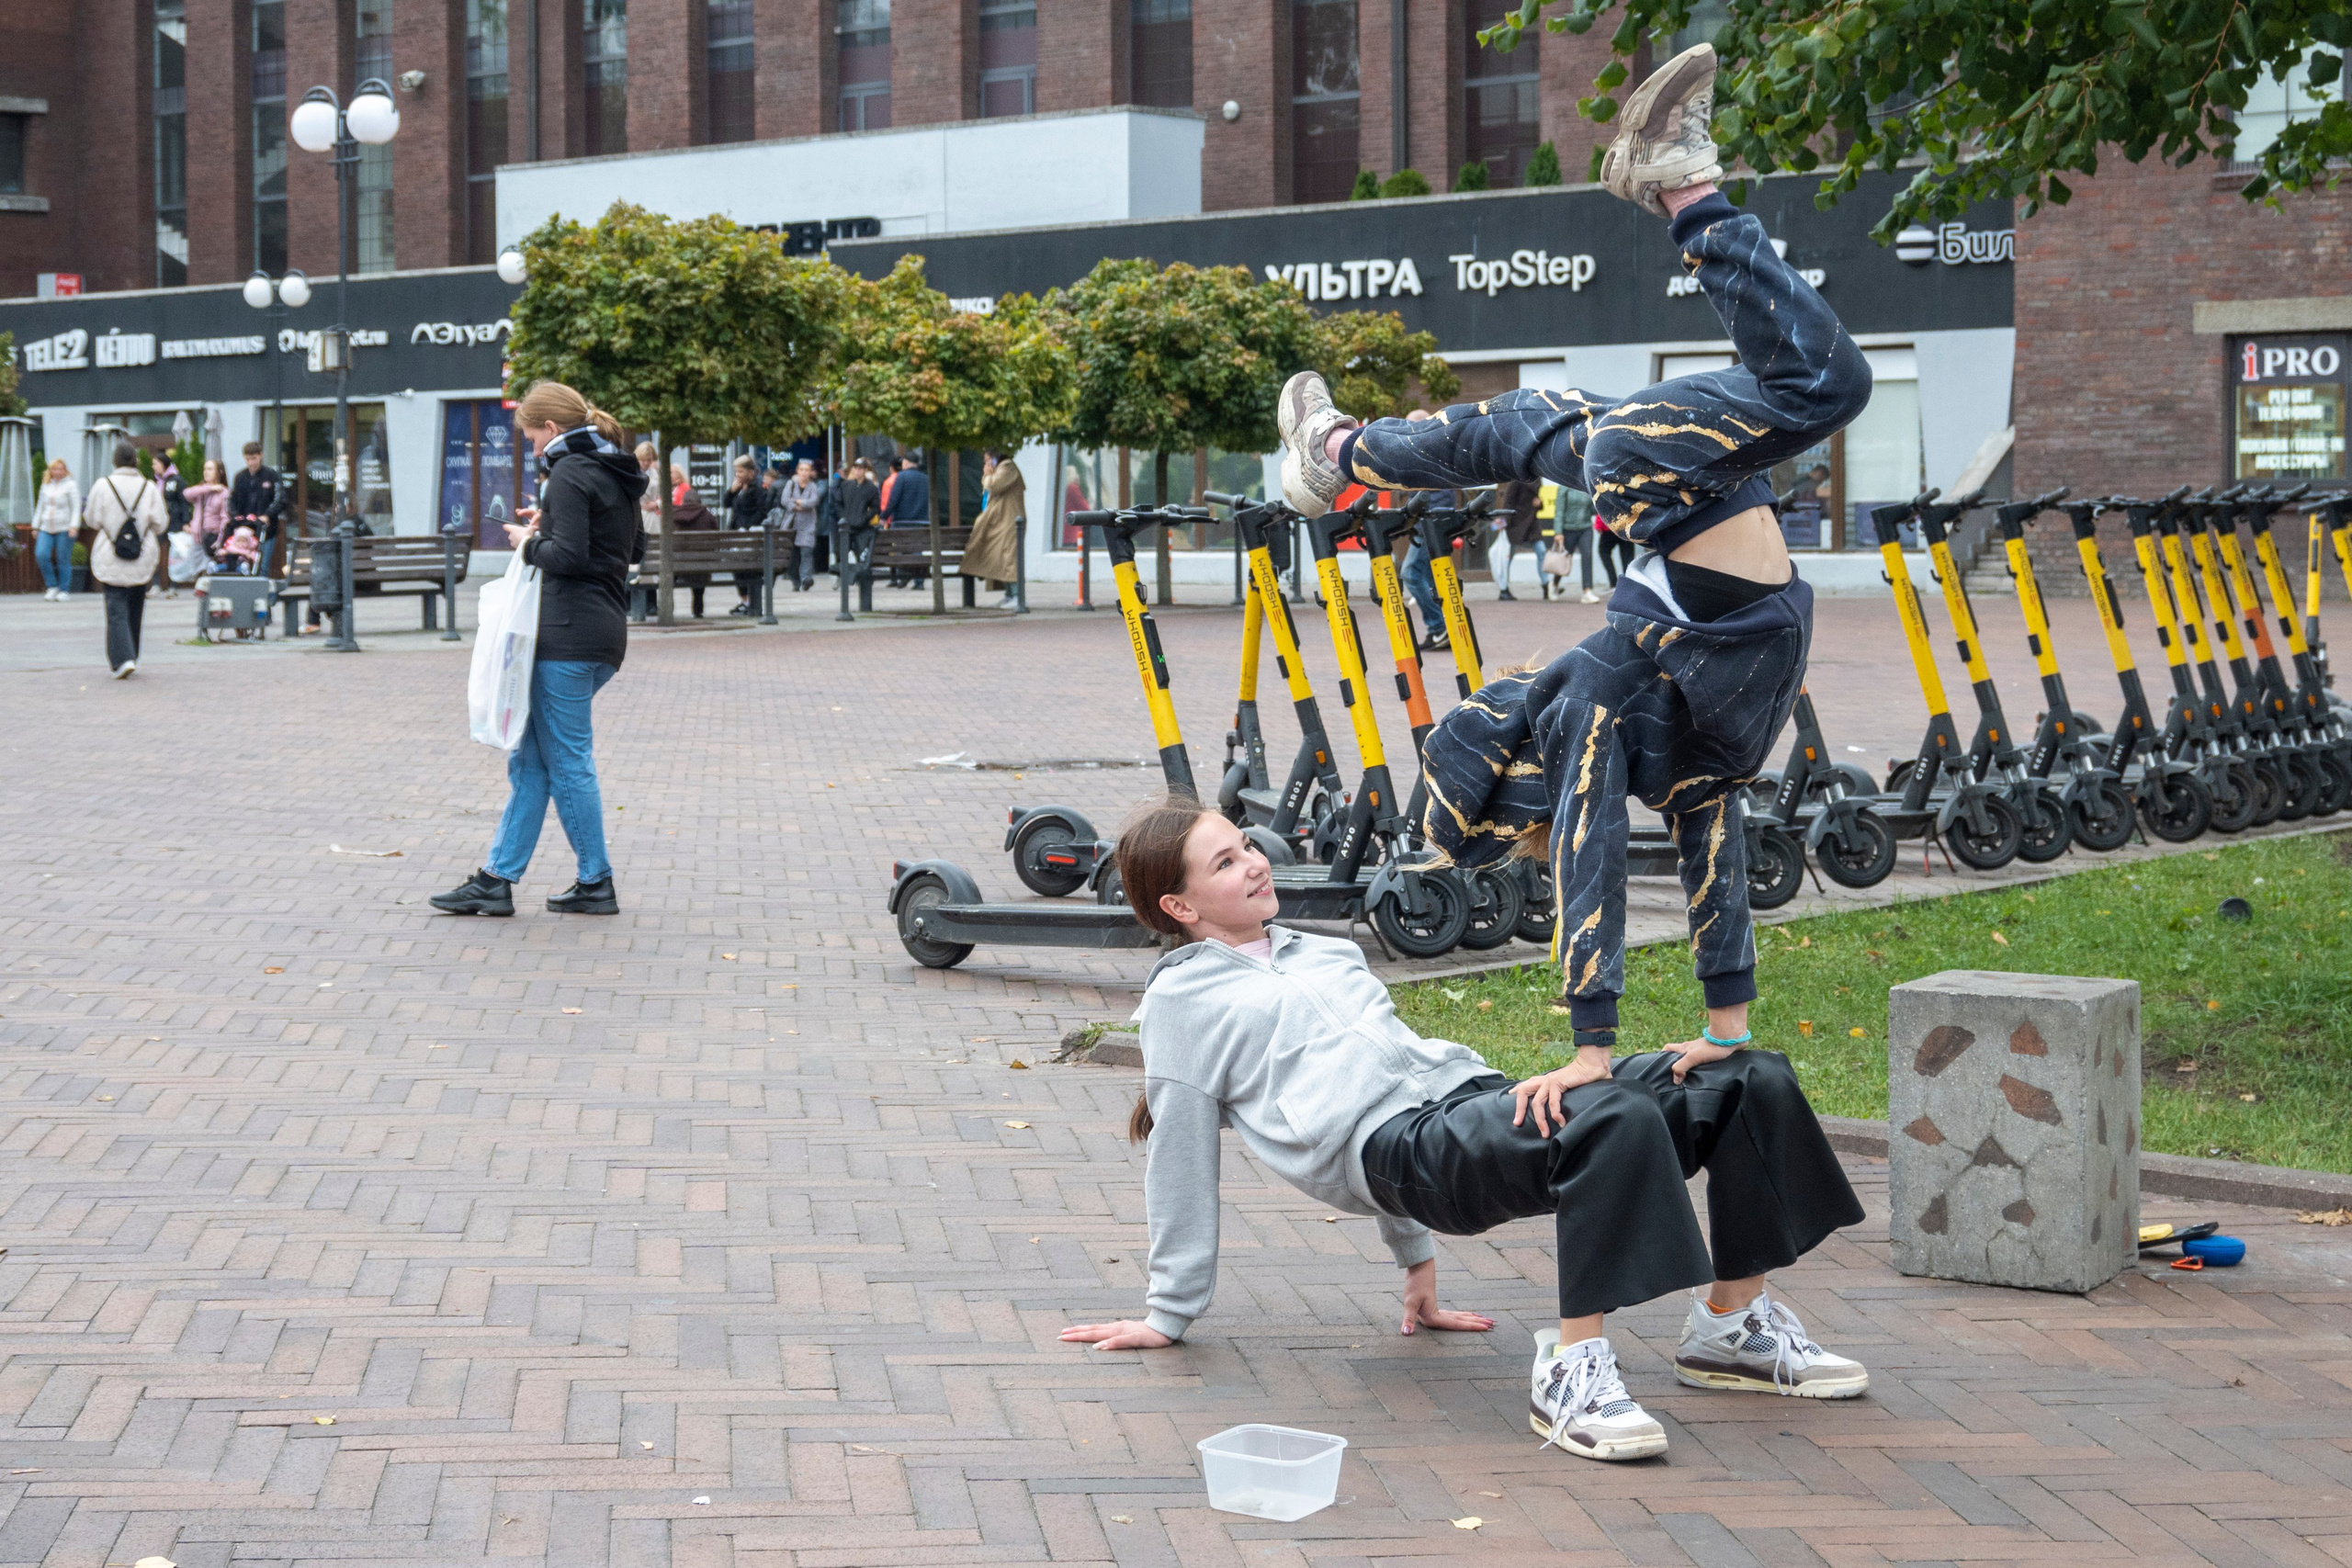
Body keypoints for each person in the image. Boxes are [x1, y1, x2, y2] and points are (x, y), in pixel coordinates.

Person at [1273, 43, 1871, 1077]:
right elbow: (1648, 864)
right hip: (1683, 491)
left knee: (1531, 419)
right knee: (1816, 387)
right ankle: (1680, 186)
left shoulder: (1623, 698)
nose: (1509, 691)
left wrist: (1720, 1026)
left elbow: (1711, 865)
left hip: (1678, 496)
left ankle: (1336, 452)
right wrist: (1606, 1045)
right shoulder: (1593, 719)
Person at [1061, 799, 1869, 1462]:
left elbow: (1393, 1063)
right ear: (1179, 905)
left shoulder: (1325, 952)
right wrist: (1168, 1311)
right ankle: (1570, 1373)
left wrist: (1416, 1267)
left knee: (1742, 1075)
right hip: (1400, 1149)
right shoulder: (1181, 1003)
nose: (1255, 861)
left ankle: (1732, 1327)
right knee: (1609, 1112)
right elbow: (1181, 1154)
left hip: (1471, 1100)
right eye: (1226, 863)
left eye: (1245, 844)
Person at [432, 381, 647, 919]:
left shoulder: (569, 471)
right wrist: (547, 522)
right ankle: (496, 880)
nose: (530, 447)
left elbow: (570, 556)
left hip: (565, 633)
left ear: (551, 429)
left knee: (567, 761)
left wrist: (528, 542)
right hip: (602, 632)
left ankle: (595, 881)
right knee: (531, 760)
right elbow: (631, 546)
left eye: (530, 436)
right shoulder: (616, 468)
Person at [84, 441, 170, 679]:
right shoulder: (149, 487)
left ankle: (123, 659)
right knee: (136, 605)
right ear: (136, 461)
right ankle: (132, 654)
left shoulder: (103, 485)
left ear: (115, 461)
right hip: (142, 554)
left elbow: (91, 519)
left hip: (111, 553)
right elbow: (161, 522)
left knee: (115, 607)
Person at [966, 449, 1024, 609]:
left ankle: (1017, 596)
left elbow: (994, 486)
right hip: (1002, 521)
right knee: (1002, 558)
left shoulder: (1007, 467)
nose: (986, 465)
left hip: (1010, 521)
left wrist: (986, 475)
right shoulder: (1000, 469)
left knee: (1010, 558)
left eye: (987, 461)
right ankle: (1009, 594)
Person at [229, 441, 288, 574]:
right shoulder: (240, 477)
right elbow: (232, 500)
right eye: (248, 459)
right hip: (244, 528)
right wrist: (235, 516)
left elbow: (281, 499)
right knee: (242, 562)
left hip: (266, 529)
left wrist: (267, 515)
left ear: (261, 455)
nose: (251, 463)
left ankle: (262, 591)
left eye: (254, 458)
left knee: (262, 564)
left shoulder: (271, 475)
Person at [668, 483, 721, 617]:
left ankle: (667, 609)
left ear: (683, 501)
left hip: (677, 564)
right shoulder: (707, 515)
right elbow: (716, 539)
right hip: (701, 564)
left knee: (671, 571)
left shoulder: (673, 515)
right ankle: (698, 610)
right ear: (699, 501)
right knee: (700, 573)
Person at [723, 456, 768, 615]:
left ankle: (750, 601)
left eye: (741, 471)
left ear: (751, 472)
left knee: (747, 568)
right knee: (737, 567)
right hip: (736, 532)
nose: (738, 474)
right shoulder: (737, 488)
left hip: (749, 534)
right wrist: (731, 491)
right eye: (736, 471)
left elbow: (762, 511)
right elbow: (726, 503)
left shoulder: (757, 488)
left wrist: (748, 526)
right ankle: (744, 599)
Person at [32, 457, 79, 601]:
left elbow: (76, 507)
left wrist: (74, 525)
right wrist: (35, 525)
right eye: (54, 469)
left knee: (63, 559)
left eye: (60, 469)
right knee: (41, 554)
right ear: (50, 471)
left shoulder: (71, 485)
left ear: (65, 471)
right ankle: (52, 586)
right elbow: (40, 506)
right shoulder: (46, 485)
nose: (57, 472)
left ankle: (64, 590)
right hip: (46, 527)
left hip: (64, 527)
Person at [885, 455, 932, 590]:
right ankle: (919, 581)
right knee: (917, 551)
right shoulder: (926, 478)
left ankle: (902, 578)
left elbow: (893, 500)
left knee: (901, 551)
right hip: (920, 522)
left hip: (901, 521)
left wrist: (884, 516)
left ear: (905, 463)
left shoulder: (901, 477)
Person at [1490, 478, 1542, 602]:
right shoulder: (1516, 480)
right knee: (1507, 557)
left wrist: (1540, 504)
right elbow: (1508, 502)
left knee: (1542, 551)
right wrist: (1504, 523)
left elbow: (1536, 501)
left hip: (1531, 525)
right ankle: (1503, 589)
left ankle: (1546, 587)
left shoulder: (1537, 479)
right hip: (1514, 525)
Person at [776, 457, 823, 592]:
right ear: (797, 471)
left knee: (806, 552)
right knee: (792, 555)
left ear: (810, 472)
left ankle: (806, 579)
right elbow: (785, 501)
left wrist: (797, 501)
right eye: (801, 470)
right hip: (792, 525)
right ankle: (795, 581)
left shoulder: (813, 486)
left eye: (807, 470)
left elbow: (813, 501)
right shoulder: (790, 484)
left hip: (808, 525)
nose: (804, 473)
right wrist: (799, 505)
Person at [837, 457, 881, 591]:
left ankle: (864, 580)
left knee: (862, 555)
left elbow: (876, 508)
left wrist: (864, 517)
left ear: (865, 470)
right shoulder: (846, 485)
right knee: (843, 553)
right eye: (855, 468)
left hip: (862, 527)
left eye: (861, 468)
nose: (858, 471)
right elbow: (838, 503)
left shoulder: (871, 488)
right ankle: (845, 578)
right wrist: (843, 517)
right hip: (847, 526)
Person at [185, 458, 231, 558]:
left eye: (210, 469)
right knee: (194, 571)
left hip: (212, 538)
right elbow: (187, 494)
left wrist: (220, 540)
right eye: (205, 469)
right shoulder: (201, 490)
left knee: (210, 569)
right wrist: (208, 488)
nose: (206, 472)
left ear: (219, 472)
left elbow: (225, 519)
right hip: (197, 538)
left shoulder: (224, 493)